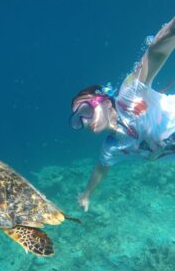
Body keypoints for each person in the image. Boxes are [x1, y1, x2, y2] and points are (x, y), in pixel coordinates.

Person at [70, 16, 175, 212]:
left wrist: (171, 30)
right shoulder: (111, 147)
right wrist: (86, 194)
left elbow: (155, 53)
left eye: (85, 111)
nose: (84, 122)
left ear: (102, 100)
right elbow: (100, 169)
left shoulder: (127, 96)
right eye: (78, 120)